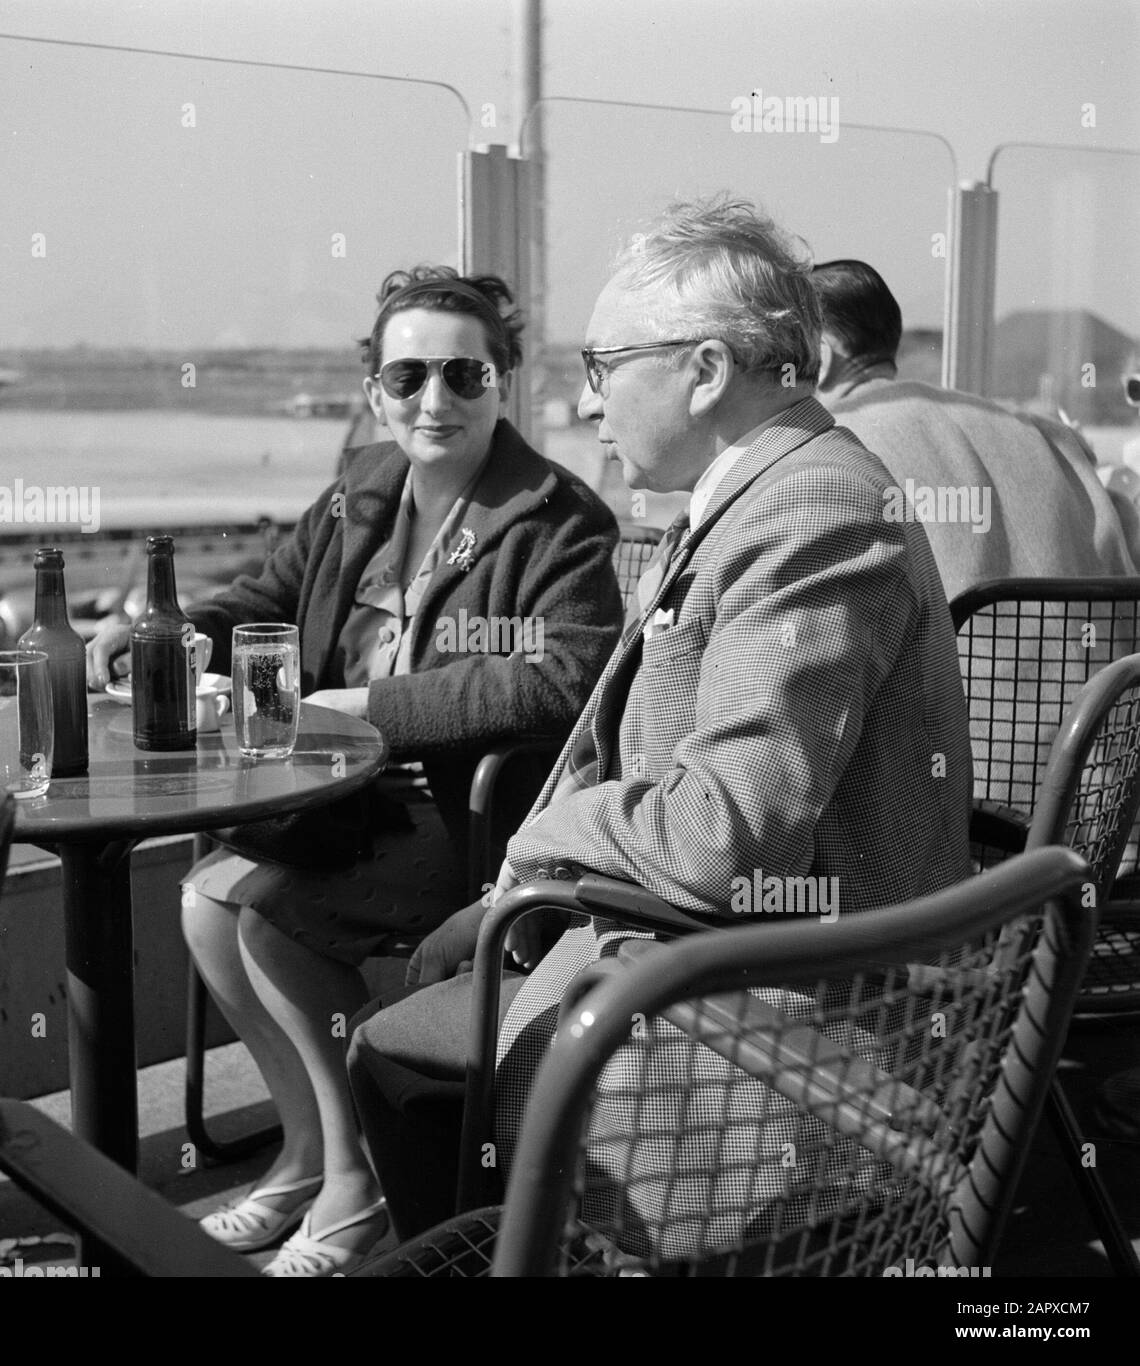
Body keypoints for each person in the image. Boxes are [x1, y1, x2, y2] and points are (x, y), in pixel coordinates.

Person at [347, 198, 975, 1242]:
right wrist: (520, 885)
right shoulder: (763, 496)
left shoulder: (808, 512)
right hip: (712, 955)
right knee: (414, 1033)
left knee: (396, 1057)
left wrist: (539, 850)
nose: (586, 404)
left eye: (601, 365)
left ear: (705, 370)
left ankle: (546, 1250)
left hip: (784, 1023)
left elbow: (727, 834)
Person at [87, 265, 623, 1274]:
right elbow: (264, 594)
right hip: (344, 798)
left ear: (503, 380)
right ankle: (303, 1152)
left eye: (465, 374)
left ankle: (355, 1180)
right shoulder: (358, 495)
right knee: (205, 902)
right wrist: (176, 631)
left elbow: (564, 678)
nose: (436, 399)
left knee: (273, 916)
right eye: (409, 374)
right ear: (374, 391)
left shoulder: (556, 515)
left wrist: (363, 707)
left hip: (465, 814)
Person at [811, 258, 1137, 599]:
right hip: (1098, 651)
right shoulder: (1045, 435)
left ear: (821, 360)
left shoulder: (831, 452)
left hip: (947, 652)